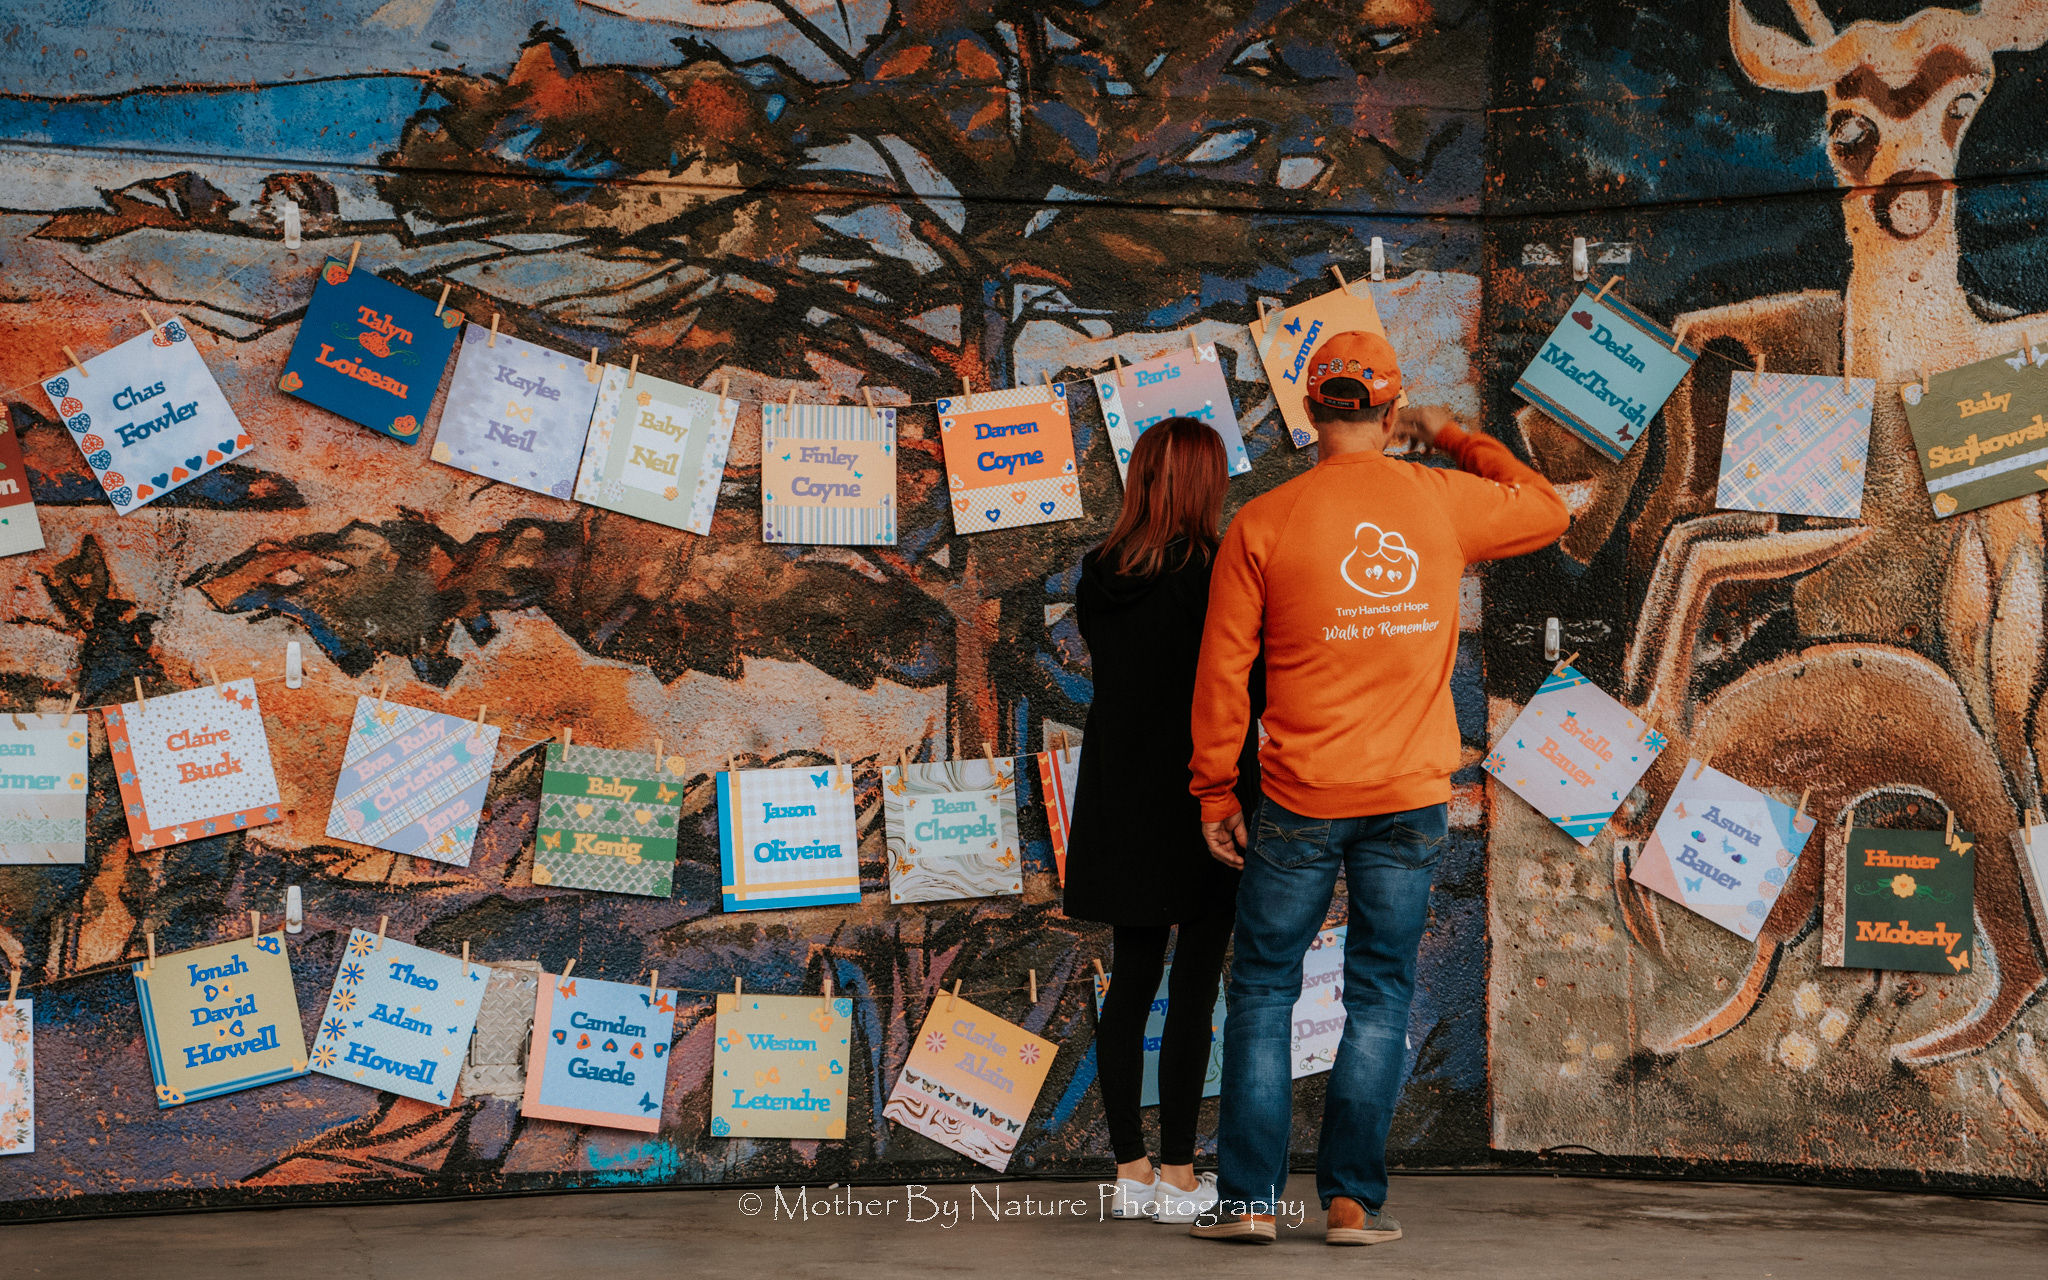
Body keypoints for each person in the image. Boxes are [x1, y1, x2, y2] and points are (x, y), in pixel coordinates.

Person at [1185, 331, 1568, 1245]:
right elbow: (1549, 510)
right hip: (1407, 797)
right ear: (1391, 416)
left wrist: (1214, 792)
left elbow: (1223, 673)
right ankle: (1353, 1201)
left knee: (1264, 991)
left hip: (1299, 799)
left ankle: (1248, 1204)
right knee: (1380, 993)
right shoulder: (1439, 498)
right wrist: (1456, 437)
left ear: (1309, 412)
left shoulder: (1262, 522)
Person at [1063, 416, 1262, 1226]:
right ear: (1205, 484)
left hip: (1118, 795)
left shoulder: (1097, 573)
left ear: (1142, 477)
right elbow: (1242, 687)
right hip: (1204, 791)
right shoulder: (1216, 574)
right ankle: (1180, 1173)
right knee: (1196, 984)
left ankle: (1131, 1171)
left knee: (1132, 978)